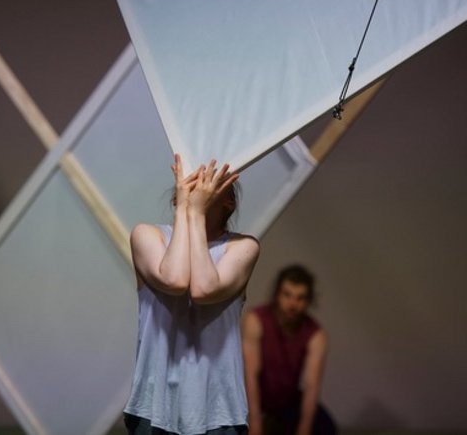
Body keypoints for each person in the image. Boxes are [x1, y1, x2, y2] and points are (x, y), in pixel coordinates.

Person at [124, 154, 261, 435]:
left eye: (210, 181)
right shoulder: (148, 235)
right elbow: (174, 279)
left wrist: (195, 214)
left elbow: (203, 288)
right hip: (153, 408)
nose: (199, 187)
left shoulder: (243, 247)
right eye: (191, 182)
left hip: (220, 411)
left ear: (229, 201)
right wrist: (187, 211)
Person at [242, 265, 337, 435]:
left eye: (300, 298)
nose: (293, 304)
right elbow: (250, 375)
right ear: (277, 294)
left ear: (308, 301)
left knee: (325, 427)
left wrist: (304, 429)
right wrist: (254, 422)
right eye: (287, 295)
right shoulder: (256, 320)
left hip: (287, 400)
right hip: (255, 397)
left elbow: (311, 386)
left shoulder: (315, 335)